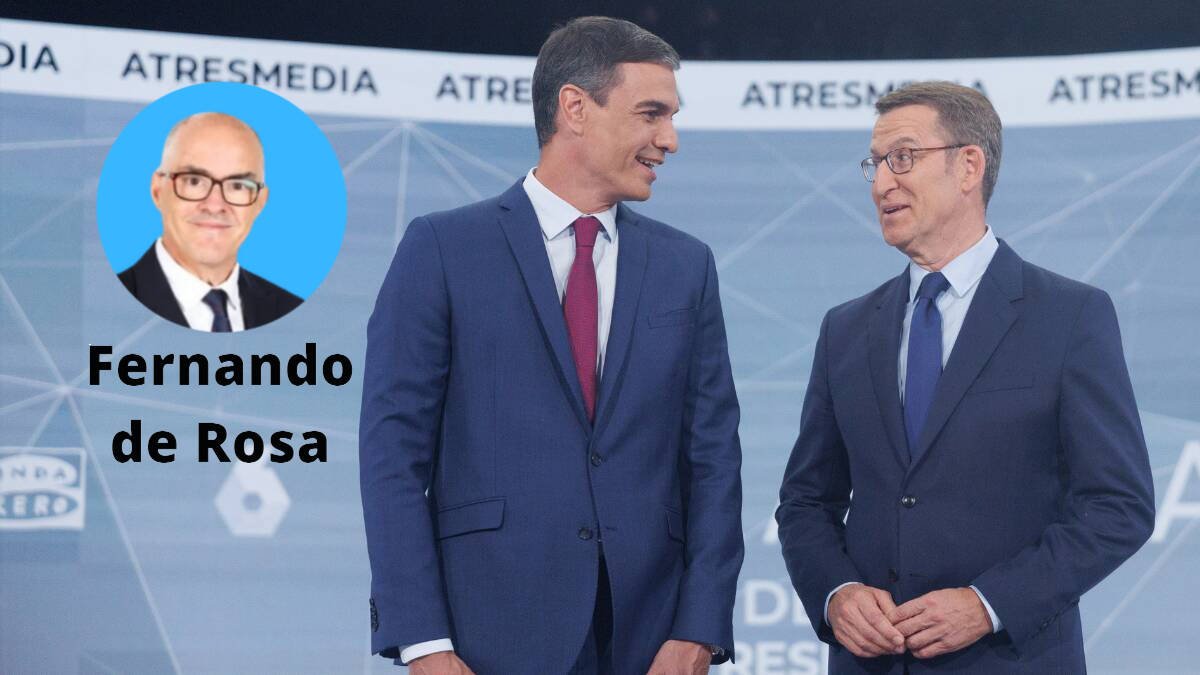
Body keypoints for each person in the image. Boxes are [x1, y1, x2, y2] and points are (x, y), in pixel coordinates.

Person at [359, 16, 743, 675]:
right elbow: (393, 455)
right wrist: (423, 641)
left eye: (672, 117)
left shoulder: (688, 266)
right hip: (487, 638)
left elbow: (712, 461)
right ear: (575, 107)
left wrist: (699, 629)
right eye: (651, 113)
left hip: (649, 642)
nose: (669, 139)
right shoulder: (444, 249)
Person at [775, 81, 1155, 673]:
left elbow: (1117, 507)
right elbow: (805, 500)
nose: (881, 183)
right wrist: (836, 594)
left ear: (968, 165)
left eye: (902, 158)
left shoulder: (1069, 315)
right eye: (874, 164)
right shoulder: (845, 329)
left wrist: (989, 604)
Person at [118, 112, 301, 331]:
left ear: (260, 202)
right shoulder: (109, 301)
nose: (215, 205)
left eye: (238, 186)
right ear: (158, 190)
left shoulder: (293, 315)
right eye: (194, 181)